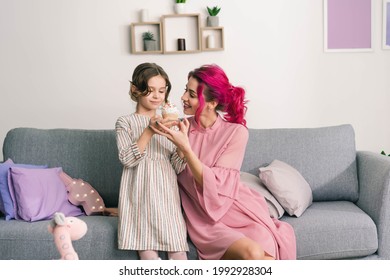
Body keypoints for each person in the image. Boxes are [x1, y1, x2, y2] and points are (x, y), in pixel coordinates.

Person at [151, 64, 297, 260]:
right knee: (253, 253)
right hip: (205, 218)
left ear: (211, 103)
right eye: (186, 90)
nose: (184, 97)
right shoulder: (178, 128)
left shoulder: (236, 133)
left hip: (234, 208)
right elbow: (153, 170)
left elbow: (216, 185)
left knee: (267, 257)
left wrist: (186, 148)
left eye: (192, 94)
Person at [115, 62, 188, 260]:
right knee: (148, 256)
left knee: (179, 253)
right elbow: (127, 159)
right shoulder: (125, 122)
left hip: (166, 196)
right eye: (150, 90)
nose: (157, 96)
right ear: (135, 89)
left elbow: (177, 165)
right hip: (140, 195)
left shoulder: (170, 123)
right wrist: (149, 131)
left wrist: (183, 144)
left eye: (162, 91)